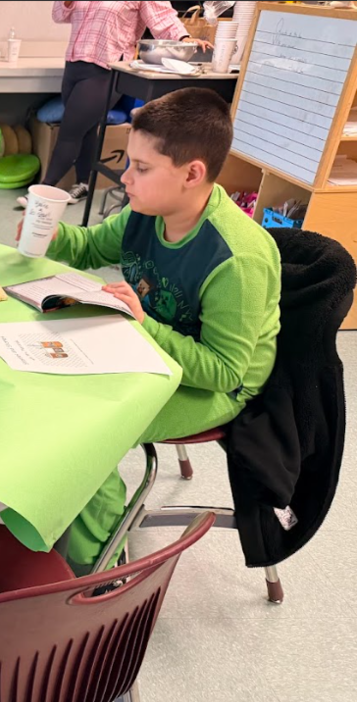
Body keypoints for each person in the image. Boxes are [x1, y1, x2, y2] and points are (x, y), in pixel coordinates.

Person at [29, 88, 280, 573]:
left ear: (192, 174)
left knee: (85, 428)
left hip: (217, 384)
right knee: (47, 388)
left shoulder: (237, 258)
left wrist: (145, 326)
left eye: (141, 168)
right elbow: (87, 248)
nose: (125, 178)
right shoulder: (145, 213)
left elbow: (224, 371)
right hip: (151, 347)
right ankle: (57, 517)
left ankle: (99, 571)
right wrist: (49, 231)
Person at [36, 1, 211, 207]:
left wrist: (185, 38)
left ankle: (43, 192)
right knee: (87, 128)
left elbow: (161, 17)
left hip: (106, 68)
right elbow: (59, 15)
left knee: (70, 130)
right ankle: (84, 183)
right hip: (74, 64)